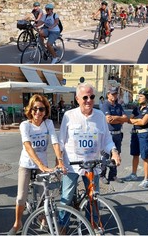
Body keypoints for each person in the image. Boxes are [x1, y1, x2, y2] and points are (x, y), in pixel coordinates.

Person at [58, 83, 121, 223]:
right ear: (77, 99)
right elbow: (61, 141)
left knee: (93, 198)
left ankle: (92, 226)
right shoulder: (69, 116)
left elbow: (107, 140)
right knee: (66, 197)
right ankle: (62, 227)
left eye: (91, 96)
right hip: (72, 165)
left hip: (92, 165)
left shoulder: (99, 116)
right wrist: (59, 161)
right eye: (85, 97)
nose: (89, 100)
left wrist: (114, 152)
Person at [8, 94, 64, 235]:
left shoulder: (48, 124)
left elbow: (55, 142)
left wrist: (60, 161)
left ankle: (43, 217)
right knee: (21, 196)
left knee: (44, 195)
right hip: (27, 163)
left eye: (42, 109)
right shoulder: (25, 125)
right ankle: (18, 223)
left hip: (42, 165)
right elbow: (27, 146)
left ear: (46, 111)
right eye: (35, 109)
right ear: (30, 110)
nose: (38, 112)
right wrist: (40, 165)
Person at [124, 88, 148, 188]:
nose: (139, 98)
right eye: (139, 96)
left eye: (141, 96)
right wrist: (136, 120)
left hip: (144, 135)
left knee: (145, 157)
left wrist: (134, 120)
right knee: (135, 154)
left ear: (147, 98)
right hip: (135, 134)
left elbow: (143, 122)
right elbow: (130, 120)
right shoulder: (137, 108)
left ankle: (146, 179)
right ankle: (133, 174)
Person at [99, 87, 128, 184]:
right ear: (108, 95)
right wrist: (120, 119)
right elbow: (108, 119)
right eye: (112, 94)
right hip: (108, 134)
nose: (114, 96)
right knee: (105, 155)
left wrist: (116, 118)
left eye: (115, 94)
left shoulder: (119, 106)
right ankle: (102, 175)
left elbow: (126, 118)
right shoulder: (105, 105)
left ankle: (113, 175)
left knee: (116, 155)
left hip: (118, 134)